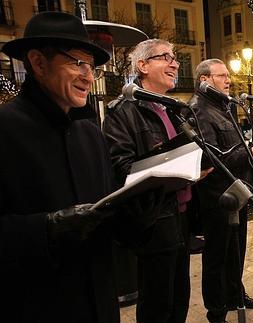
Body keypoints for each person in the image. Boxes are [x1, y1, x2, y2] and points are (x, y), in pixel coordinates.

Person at [0, 12, 151, 323]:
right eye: (77, 63)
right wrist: (49, 226)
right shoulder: (5, 129)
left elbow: (106, 213)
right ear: (38, 63)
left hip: (99, 303)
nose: (88, 76)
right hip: (39, 306)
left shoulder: (90, 134)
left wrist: (141, 207)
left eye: (91, 67)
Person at [103, 39, 192, 323]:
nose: (175, 63)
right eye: (165, 57)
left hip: (181, 215)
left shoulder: (172, 109)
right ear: (142, 66)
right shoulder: (123, 111)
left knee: (180, 299)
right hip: (154, 219)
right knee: (157, 306)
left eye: (174, 57)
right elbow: (122, 168)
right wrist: (171, 166)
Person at [191, 58, 253, 323]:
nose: (229, 80)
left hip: (238, 191)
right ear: (205, 80)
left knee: (236, 251)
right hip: (217, 197)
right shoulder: (199, 110)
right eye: (222, 75)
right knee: (217, 255)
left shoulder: (223, 107)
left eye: (228, 75)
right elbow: (212, 159)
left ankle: (235, 295)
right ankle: (216, 310)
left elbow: (234, 147)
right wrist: (252, 153)